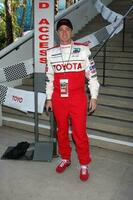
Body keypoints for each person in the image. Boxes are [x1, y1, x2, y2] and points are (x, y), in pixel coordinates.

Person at [45, 18, 100, 181]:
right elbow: (49, 77)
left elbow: (93, 77)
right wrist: (49, 98)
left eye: (67, 29)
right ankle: (65, 158)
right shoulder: (50, 53)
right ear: (57, 33)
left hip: (77, 98)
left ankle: (84, 164)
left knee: (79, 132)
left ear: (71, 31)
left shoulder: (84, 50)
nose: (64, 32)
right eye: (60, 29)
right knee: (61, 131)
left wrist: (94, 96)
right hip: (58, 99)